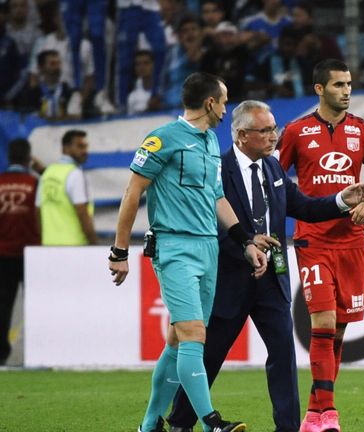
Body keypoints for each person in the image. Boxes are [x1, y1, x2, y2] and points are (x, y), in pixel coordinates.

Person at [166, 100, 364, 432]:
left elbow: (302, 206)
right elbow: (207, 224)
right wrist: (245, 243)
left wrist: (340, 201)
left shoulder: (272, 168)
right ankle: (180, 422)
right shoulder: (218, 168)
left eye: (274, 129)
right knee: (212, 354)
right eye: (265, 130)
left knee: (283, 355)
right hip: (231, 278)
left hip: (271, 280)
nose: (274, 136)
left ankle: (287, 428)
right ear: (242, 135)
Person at [108, 72, 267, 432]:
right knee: (194, 334)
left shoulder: (211, 142)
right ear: (210, 102)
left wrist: (245, 241)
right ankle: (211, 423)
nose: (226, 108)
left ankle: (149, 424)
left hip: (208, 248)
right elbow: (133, 192)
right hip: (174, 247)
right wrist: (119, 251)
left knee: (179, 340)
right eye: (224, 101)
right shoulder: (162, 139)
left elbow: (217, 197)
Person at [278, 59, 364, 432]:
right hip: (313, 239)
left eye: (349, 84)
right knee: (323, 321)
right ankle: (331, 413)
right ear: (319, 89)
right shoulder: (296, 131)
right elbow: (273, 179)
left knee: (337, 331)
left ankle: (312, 415)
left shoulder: (363, 131)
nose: (346, 91)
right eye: (338, 84)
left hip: (351, 241)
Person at [0, 138, 40, 365]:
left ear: (9, 157)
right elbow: (39, 216)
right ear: (28, 158)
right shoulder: (34, 183)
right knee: (34, 303)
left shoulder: (0, 182)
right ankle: (35, 352)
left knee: (3, 306)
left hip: (2, 253)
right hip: (30, 253)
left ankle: (1, 355)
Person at [36, 129, 96, 245]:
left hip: (48, 245)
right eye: (80, 146)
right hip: (74, 247)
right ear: (65, 148)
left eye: (86, 146)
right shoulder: (75, 174)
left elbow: (37, 211)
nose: (85, 151)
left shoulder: (47, 173)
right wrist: (94, 244)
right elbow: (82, 213)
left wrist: (44, 238)